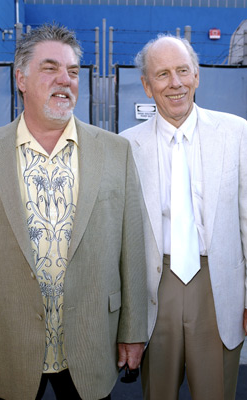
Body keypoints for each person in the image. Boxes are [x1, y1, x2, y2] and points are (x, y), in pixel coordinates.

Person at [0, 24, 148, 400]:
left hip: (91, 343)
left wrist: (133, 331)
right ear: (20, 78)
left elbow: (132, 246)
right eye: (50, 68)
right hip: (6, 343)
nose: (65, 80)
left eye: (73, 71)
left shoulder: (114, 151)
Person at [120, 34, 247, 400]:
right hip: (155, 289)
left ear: (196, 76)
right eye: (162, 75)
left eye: (182, 71)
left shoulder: (236, 133)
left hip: (219, 286)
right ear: (146, 85)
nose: (175, 83)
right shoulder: (126, 146)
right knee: (158, 393)